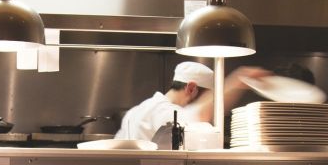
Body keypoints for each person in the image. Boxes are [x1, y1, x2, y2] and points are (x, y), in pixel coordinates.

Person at [115, 61, 269, 142]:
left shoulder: (136, 110)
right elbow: (198, 114)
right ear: (191, 88)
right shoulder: (163, 111)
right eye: (208, 97)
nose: (209, 103)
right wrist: (238, 80)